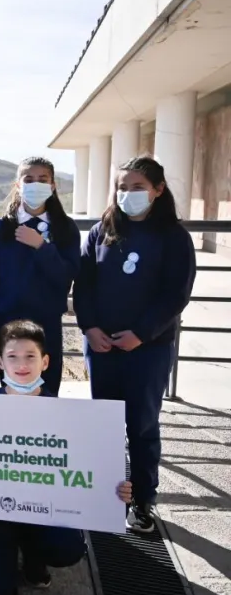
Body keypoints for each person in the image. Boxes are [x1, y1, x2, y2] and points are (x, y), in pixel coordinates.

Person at [0, 320, 133, 595]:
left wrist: (116, 491)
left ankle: (33, 555)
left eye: (30, 356)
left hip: (44, 512)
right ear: (0, 361)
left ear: (46, 362)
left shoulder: (70, 417)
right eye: (12, 356)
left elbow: (86, 472)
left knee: (68, 549)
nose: (21, 365)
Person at [73, 156, 196, 534]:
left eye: (138, 187)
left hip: (149, 348)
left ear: (158, 190)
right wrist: (90, 328)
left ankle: (142, 500)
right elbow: (85, 285)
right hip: (103, 346)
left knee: (141, 425)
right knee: (104, 423)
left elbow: (176, 294)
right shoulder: (102, 230)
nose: (128, 194)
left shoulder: (174, 237)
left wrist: (141, 333)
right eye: (123, 188)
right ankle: (104, 495)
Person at [0, 157, 80, 395]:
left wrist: (43, 248)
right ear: (18, 185)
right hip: (7, 322)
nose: (36, 184)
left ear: (53, 185)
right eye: (29, 179)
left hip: (47, 324)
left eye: (43, 179)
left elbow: (67, 275)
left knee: (47, 391)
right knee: (12, 391)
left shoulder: (65, 228)